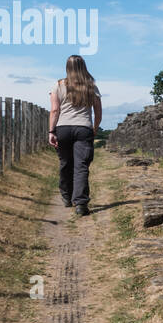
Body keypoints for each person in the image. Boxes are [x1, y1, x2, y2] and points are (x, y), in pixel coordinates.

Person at [48, 55, 103, 215]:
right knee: (81, 166)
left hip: (63, 128)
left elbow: (54, 110)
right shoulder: (91, 86)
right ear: (83, 67)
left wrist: (51, 131)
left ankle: (66, 196)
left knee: (65, 163)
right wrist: (95, 126)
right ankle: (80, 203)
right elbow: (98, 110)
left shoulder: (58, 85)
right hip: (83, 128)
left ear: (67, 67)